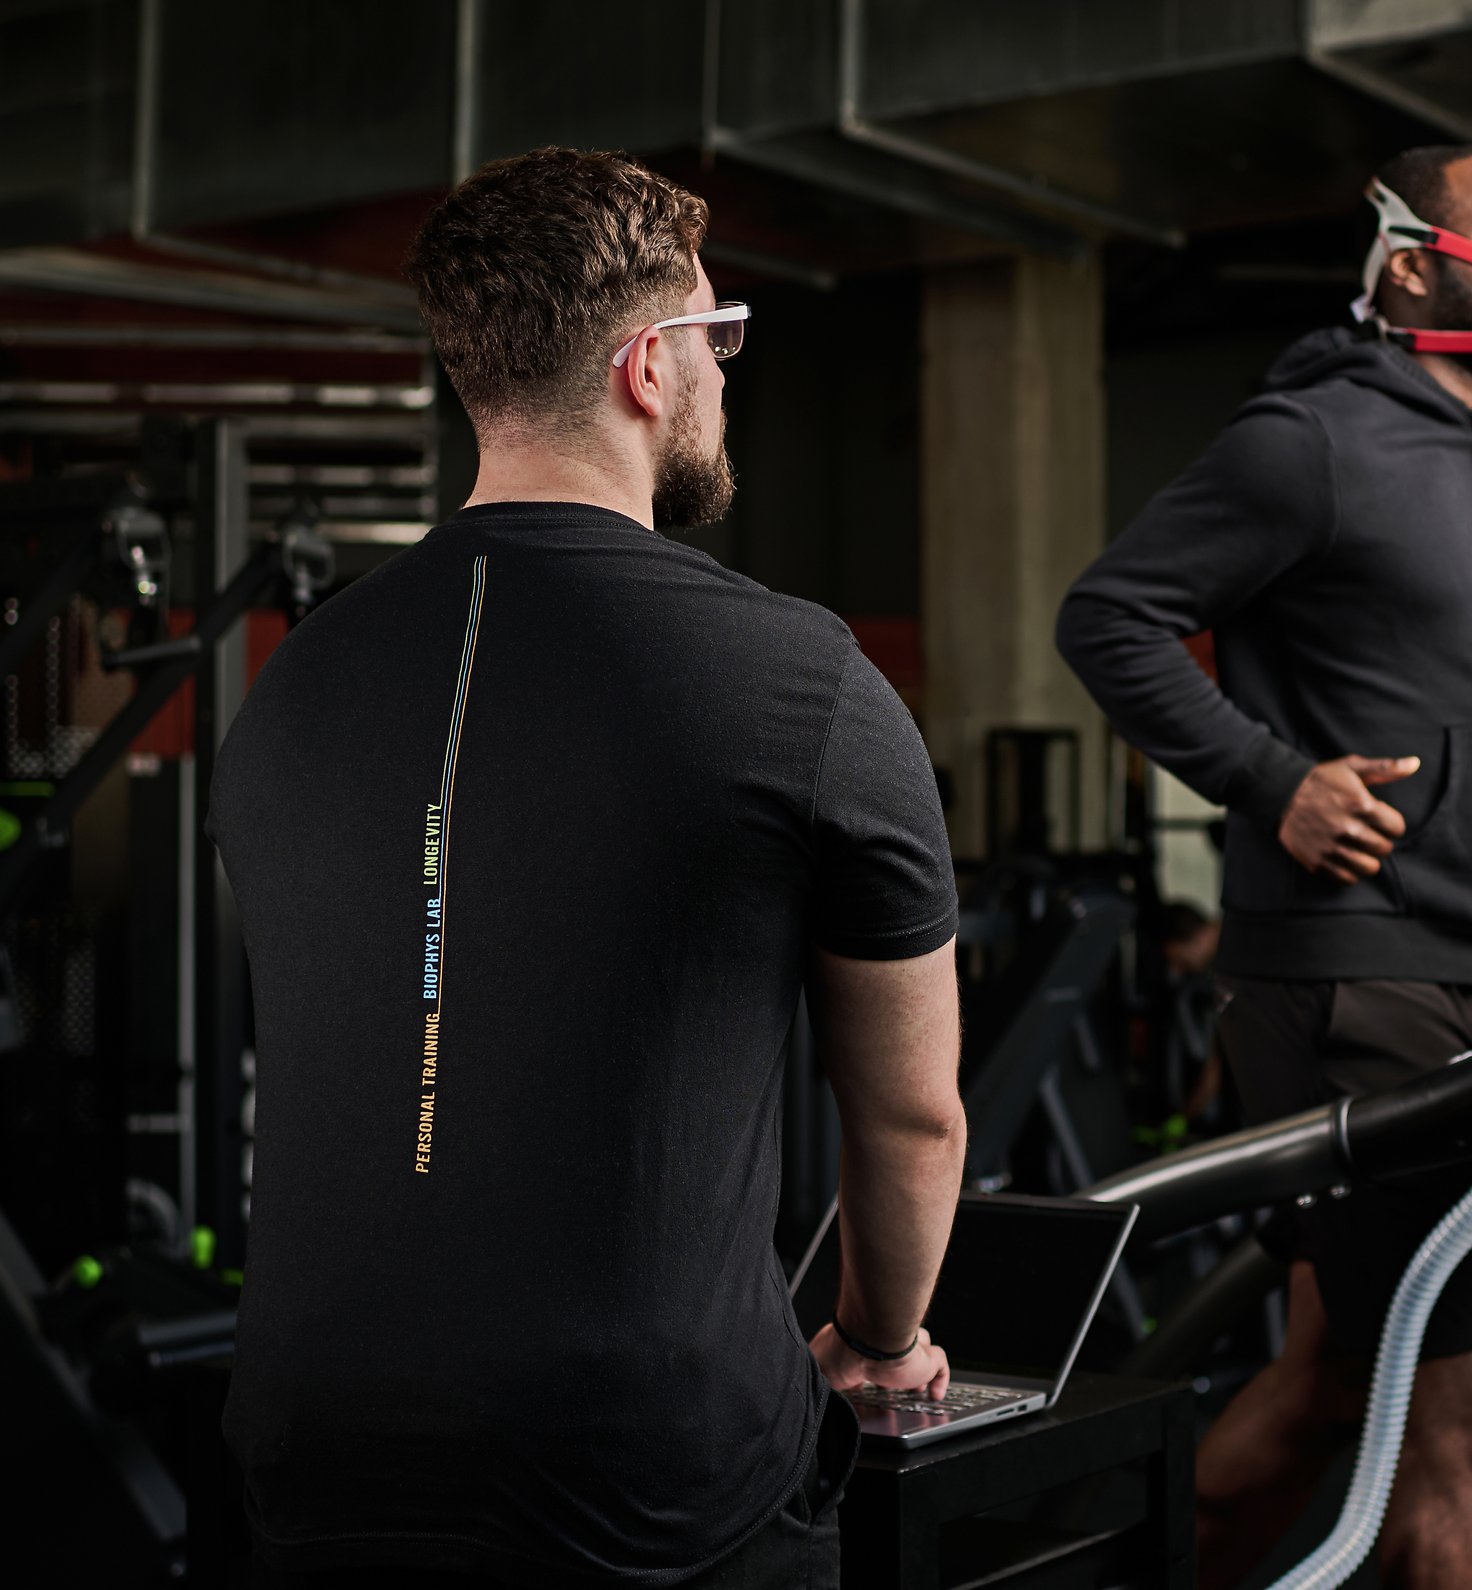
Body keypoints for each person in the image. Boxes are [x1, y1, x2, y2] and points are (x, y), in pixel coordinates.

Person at [210, 147, 966, 1589]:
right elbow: (916, 1117)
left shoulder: (290, 687)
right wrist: (879, 1340)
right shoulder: (801, 679)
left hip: (314, 1455)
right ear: (646, 367)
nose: (724, 374)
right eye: (716, 339)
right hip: (649, 1481)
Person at [1057, 145, 1472, 1588]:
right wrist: (1271, 780)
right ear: (1412, 262)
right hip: (1352, 974)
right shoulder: (1312, 441)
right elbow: (1108, 618)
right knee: (1471, 1423)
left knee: (1337, 1380)